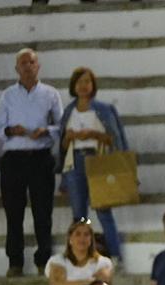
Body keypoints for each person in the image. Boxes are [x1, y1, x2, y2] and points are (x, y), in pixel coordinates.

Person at [0, 49, 63, 277]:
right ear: (16, 69)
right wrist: (10, 130)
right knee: (13, 214)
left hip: (40, 157)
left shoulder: (51, 94)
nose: (27, 66)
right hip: (13, 158)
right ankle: (15, 262)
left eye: (31, 62)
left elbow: (62, 127)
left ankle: (44, 261)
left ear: (38, 66)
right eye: (23, 63)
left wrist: (47, 130)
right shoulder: (7, 95)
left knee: (43, 212)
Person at [54, 68, 127, 260]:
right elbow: (62, 147)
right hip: (75, 162)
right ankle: (80, 256)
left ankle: (116, 255)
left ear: (93, 86)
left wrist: (93, 135)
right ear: (73, 86)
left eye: (87, 82)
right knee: (80, 215)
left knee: (103, 210)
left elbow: (115, 138)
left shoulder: (103, 109)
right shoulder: (69, 111)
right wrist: (69, 137)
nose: (83, 86)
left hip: (98, 161)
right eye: (79, 82)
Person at [45, 218, 113, 285]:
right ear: (70, 238)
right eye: (78, 234)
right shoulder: (57, 261)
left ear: (91, 239)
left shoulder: (103, 262)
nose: (82, 238)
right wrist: (88, 282)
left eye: (86, 234)